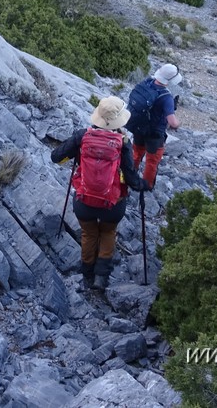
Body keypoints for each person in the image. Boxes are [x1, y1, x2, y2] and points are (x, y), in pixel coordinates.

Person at [51, 96, 151, 290]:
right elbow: (131, 178)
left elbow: (56, 157)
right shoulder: (123, 142)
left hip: (84, 200)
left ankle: (86, 273)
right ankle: (101, 277)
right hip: (112, 204)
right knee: (108, 232)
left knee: (88, 234)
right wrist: (143, 185)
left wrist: (74, 152)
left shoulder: (82, 136)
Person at [128, 63, 182, 188]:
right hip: (154, 134)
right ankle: (147, 186)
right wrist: (179, 123)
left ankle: (128, 177)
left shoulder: (146, 83)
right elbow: (173, 122)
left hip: (138, 128)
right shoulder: (166, 97)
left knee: (135, 154)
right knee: (152, 161)